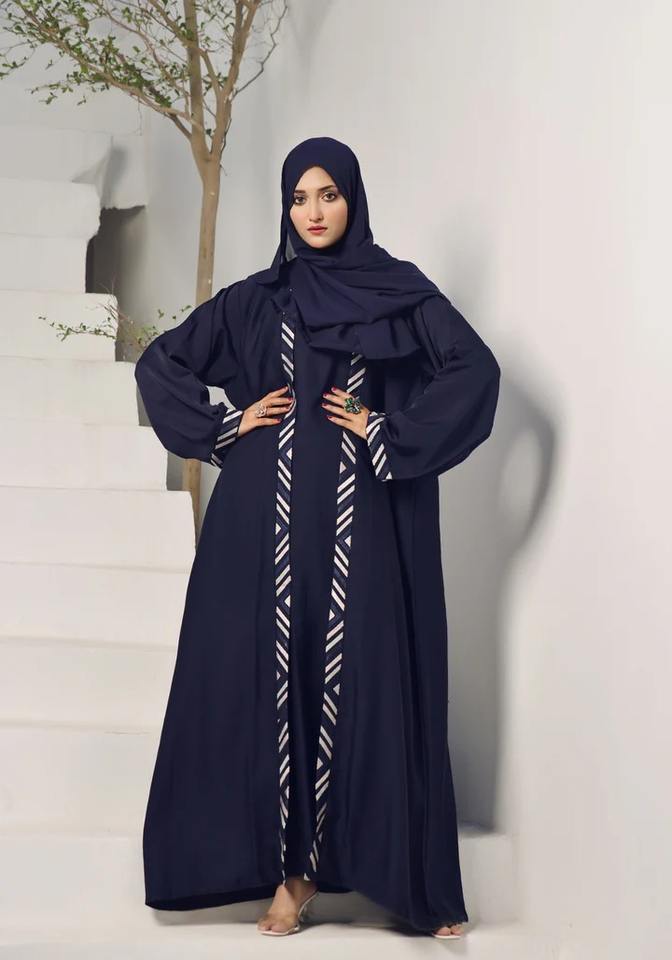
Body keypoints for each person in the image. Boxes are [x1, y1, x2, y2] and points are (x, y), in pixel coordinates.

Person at [134, 136, 501, 939]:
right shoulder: (257, 299)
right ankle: (289, 878)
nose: (313, 212)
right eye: (299, 198)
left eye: (328, 194)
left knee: (356, 674)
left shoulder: (399, 294)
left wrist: (387, 429)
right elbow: (161, 364)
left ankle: (396, 878)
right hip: (259, 521)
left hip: (356, 520)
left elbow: (475, 371)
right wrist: (226, 425)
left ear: (353, 199)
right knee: (269, 679)